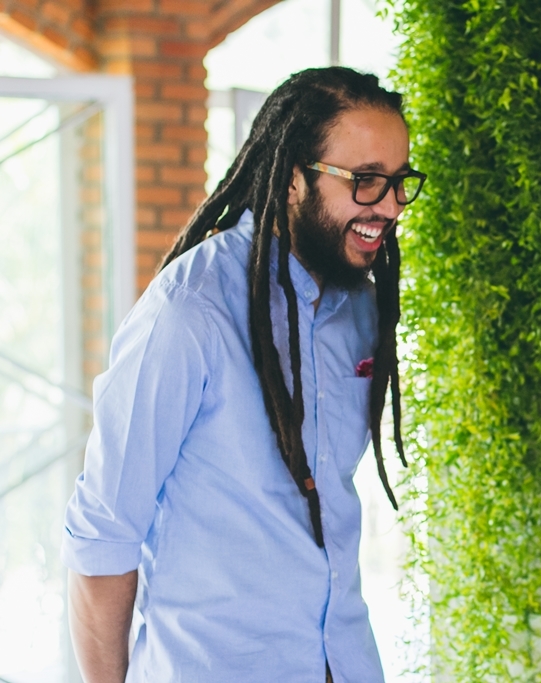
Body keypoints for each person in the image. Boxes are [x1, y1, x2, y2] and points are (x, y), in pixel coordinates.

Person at [61, 67, 425, 683]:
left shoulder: (360, 309)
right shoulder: (188, 313)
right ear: (290, 180)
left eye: (398, 183)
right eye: (365, 182)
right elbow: (104, 538)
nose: (389, 206)